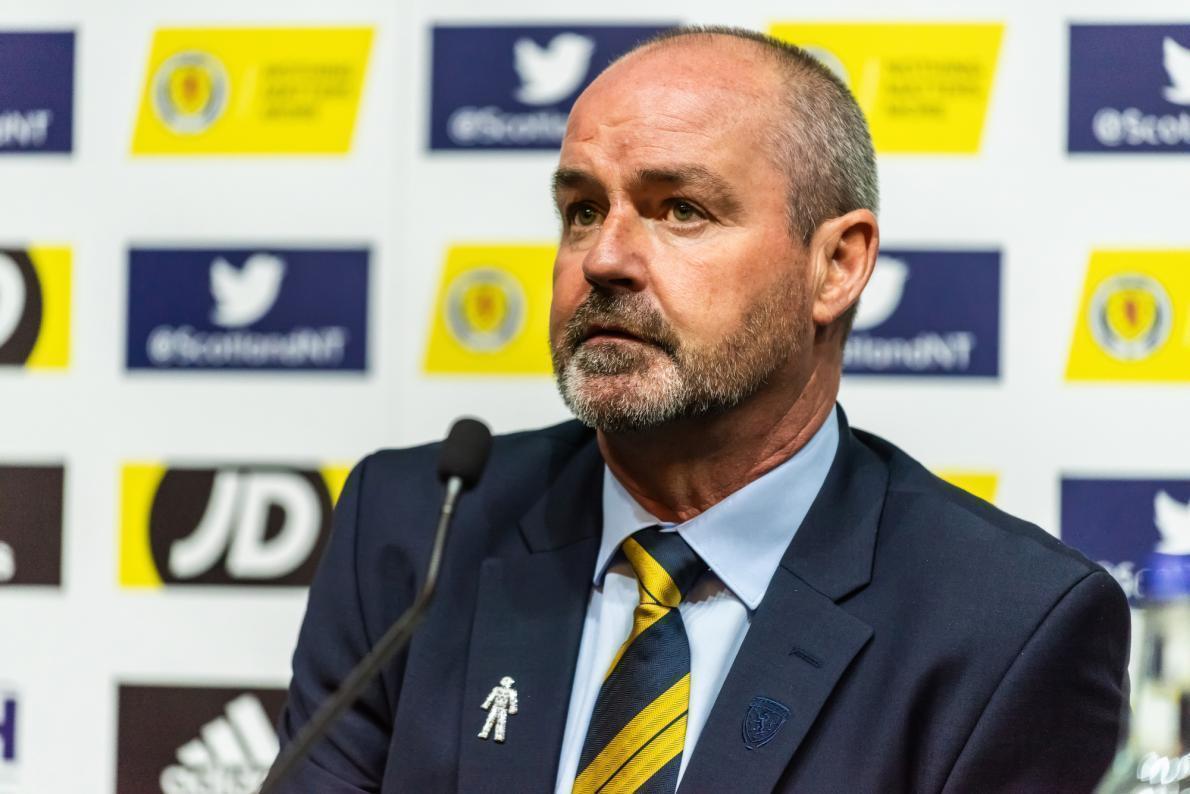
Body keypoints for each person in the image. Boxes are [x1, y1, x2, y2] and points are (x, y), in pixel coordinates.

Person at [276, 27, 1130, 793]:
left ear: (836, 265)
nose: (603, 258)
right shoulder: (418, 530)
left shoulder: (1011, 625)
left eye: (680, 210)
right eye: (582, 211)